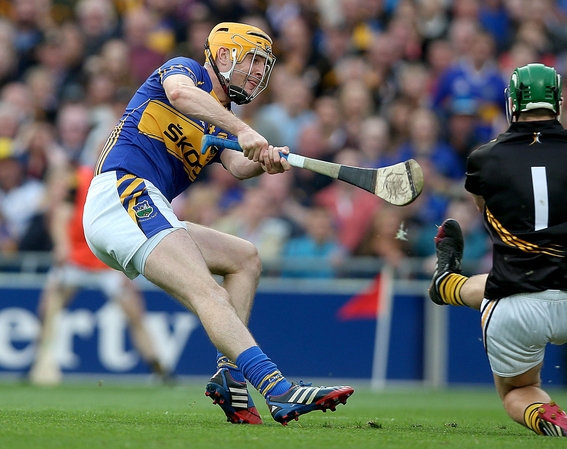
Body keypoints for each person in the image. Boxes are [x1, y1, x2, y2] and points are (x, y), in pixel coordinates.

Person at [82, 22, 353, 426]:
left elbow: (237, 165)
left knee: (244, 258)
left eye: (264, 65)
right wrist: (244, 129)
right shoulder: (184, 71)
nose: (260, 73)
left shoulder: (220, 118)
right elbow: (178, 94)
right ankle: (277, 389)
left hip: (146, 205)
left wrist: (266, 160)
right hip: (122, 191)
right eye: (253, 61)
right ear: (224, 56)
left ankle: (230, 375)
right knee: (207, 291)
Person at [428, 63, 567, 438]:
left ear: (512, 103)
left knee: (516, 390)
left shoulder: (484, 158)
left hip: (515, 305)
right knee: (498, 282)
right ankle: (445, 284)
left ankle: (549, 416)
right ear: (557, 100)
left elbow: (483, 209)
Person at [29, 162, 170, 386]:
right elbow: (62, 215)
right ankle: (39, 363)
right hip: (75, 260)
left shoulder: (83, 177)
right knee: (47, 310)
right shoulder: (85, 179)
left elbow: (60, 214)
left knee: (134, 313)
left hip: (104, 262)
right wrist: (62, 245)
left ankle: (157, 366)